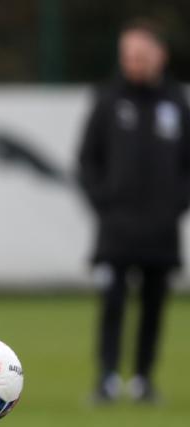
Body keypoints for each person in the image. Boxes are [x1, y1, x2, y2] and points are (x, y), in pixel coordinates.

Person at [78, 19, 190, 403]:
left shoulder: (176, 104)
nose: (134, 63)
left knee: (154, 306)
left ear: (160, 55)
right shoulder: (108, 102)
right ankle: (107, 377)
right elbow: (87, 160)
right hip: (116, 228)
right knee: (112, 303)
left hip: (161, 230)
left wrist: (175, 204)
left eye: (141, 55)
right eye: (128, 56)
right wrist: (103, 202)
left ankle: (143, 378)